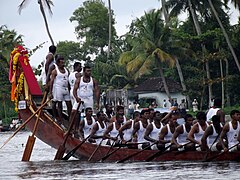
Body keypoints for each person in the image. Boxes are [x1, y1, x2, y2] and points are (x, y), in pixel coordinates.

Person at [49, 55, 72, 125]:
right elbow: (52, 82)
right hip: (58, 88)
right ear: (58, 63)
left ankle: (70, 118)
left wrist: (70, 89)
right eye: (61, 62)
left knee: (69, 104)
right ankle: (60, 119)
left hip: (66, 89)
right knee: (59, 104)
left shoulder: (67, 70)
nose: (63, 63)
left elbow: (68, 81)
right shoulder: (55, 71)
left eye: (63, 62)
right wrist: (51, 92)